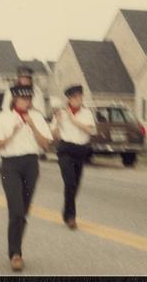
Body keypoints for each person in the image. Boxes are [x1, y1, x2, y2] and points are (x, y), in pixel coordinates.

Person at [0, 84, 52, 272]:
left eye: (29, 98)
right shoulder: (4, 117)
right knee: (16, 209)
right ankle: (15, 253)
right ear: (14, 99)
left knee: (23, 211)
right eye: (23, 98)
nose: (26, 101)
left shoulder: (37, 117)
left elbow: (46, 144)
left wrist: (32, 125)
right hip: (10, 164)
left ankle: (15, 248)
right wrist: (13, 133)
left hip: (31, 164)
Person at [51, 84, 95, 230]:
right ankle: (71, 217)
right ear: (69, 99)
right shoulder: (60, 113)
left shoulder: (86, 113)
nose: (78, 99)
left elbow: (91, 131)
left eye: (80, 96)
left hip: (80, 151)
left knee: (75, 185)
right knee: (69, 183)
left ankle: (66, 210)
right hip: (65, 150)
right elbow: (54, 136)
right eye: (75, 97)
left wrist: (73, 119)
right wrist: (57, 121)